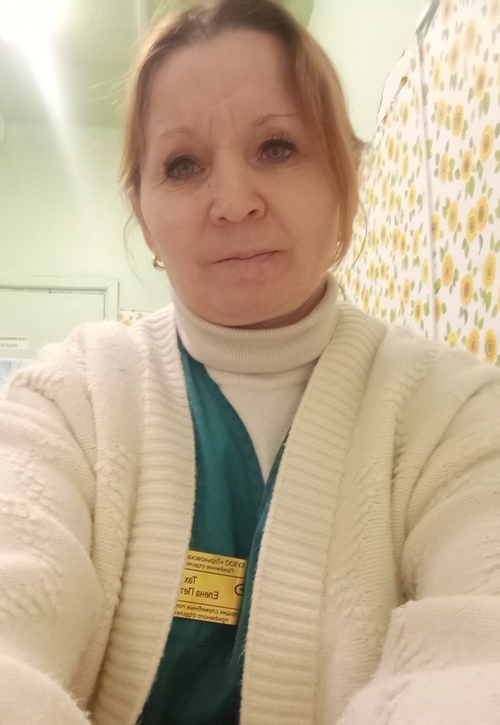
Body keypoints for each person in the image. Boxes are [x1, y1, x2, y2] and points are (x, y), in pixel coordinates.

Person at [1, 0, 500, 723]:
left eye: (277, 147)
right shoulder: (67, 402)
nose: (233, 203)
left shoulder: (456, 414)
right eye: (183, 165)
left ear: (344, 179)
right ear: (144, 215)